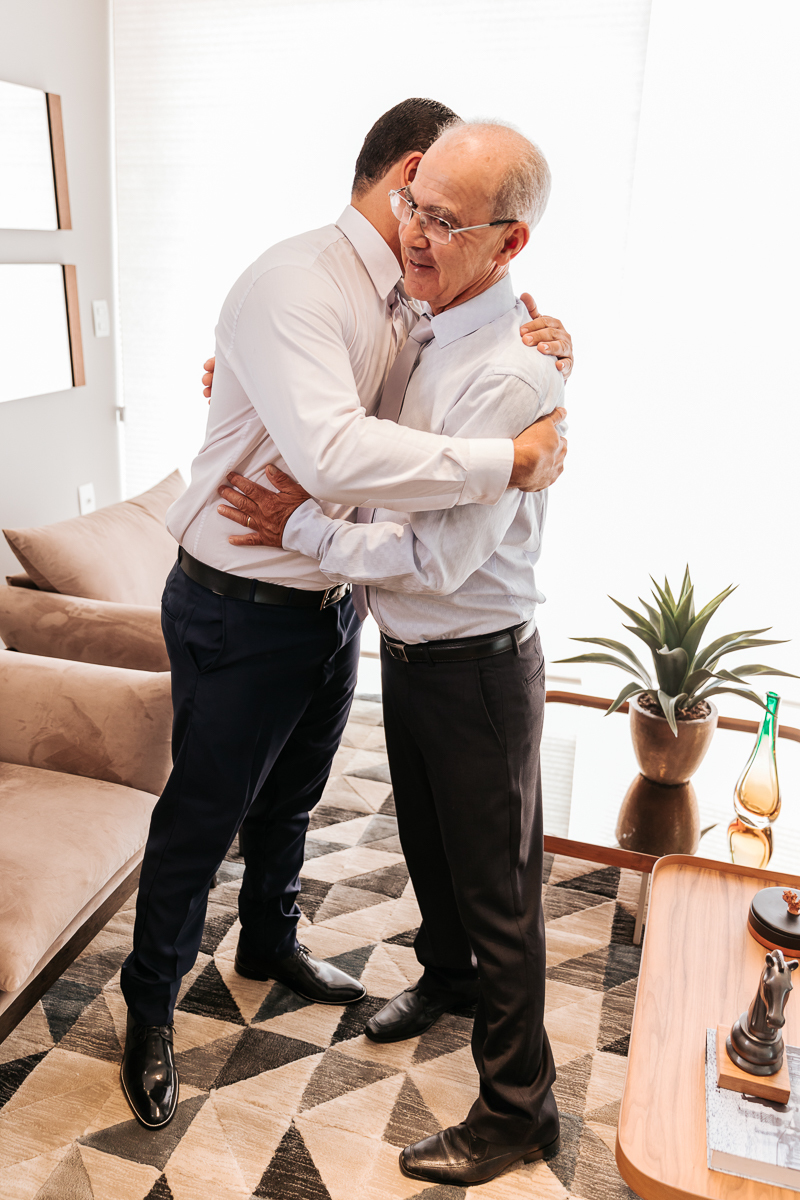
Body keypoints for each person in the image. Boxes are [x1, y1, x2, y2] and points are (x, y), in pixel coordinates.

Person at [118, 98, 571, 1133]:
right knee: (201, 818)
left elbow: (471, 367)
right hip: (238, 604)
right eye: (424, 207)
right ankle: (148, 1013)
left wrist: (544, 348)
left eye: (449, 222)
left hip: (330, 605)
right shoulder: (296, 283)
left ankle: (267, 940)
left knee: (292, 802)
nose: (425, 234)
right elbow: (330, 455)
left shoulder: (418, 299)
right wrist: (508, 458)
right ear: (406, 174)